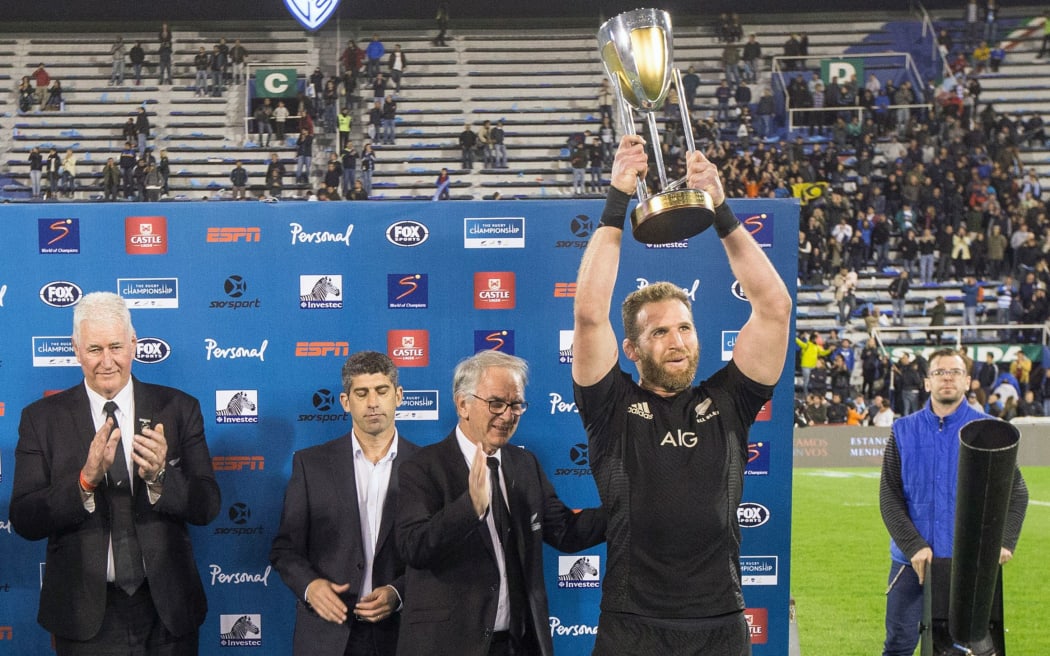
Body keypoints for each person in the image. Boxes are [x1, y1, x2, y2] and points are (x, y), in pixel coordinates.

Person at [571, 135, 792, 655]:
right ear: (631, 348)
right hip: (632, 626)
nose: (677, 342)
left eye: (685, 328)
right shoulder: (610, 406)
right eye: (660, 332)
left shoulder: (730, 401)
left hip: (720, 624)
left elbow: (775, 308)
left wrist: (721, 208)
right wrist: (617, 198)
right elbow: (589, 313)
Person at [9, 291, 221, 655]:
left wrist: (160, 478)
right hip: (83, 617)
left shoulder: (179, 408)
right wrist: (84, 482)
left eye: (116, 347)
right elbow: (25, 519)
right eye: (94, 349)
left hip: (168, 614)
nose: (107, 361)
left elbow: (207, 506)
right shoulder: (41, 419)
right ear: (76, 349)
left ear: (134, 344)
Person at [396, 350, 606, 656]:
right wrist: (470, 508)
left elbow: (565, 530)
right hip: (449, 645)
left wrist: (627, 509)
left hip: (517, 645)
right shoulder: (422, 467)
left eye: (516, 404)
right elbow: (413, 547)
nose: (507, 416)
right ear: (463, 404)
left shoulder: (524, 464)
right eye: (496, 403)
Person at [879, 348, 1028, 656]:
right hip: (912, 563)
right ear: (927, 382)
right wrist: (914, 546)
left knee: (960, 650)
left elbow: (1017, 491)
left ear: (968, 381)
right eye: (939, 372)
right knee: (898, 645)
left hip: (967, 567)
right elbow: (889, 496)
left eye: (955, 372)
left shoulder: (988, 429)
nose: (947, 378)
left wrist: (1005, 540)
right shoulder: (903, 430)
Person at [271, 352, 419, 656]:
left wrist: (398, 592)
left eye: (381, 391)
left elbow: (439, 556)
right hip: (327, 635)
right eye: (361, 393)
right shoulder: (310, 465)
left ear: (398, 396)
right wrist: (311, 587)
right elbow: (285, 550)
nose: (373, 402)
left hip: (402, 634)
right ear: (345, 401)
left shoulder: (426, 466)